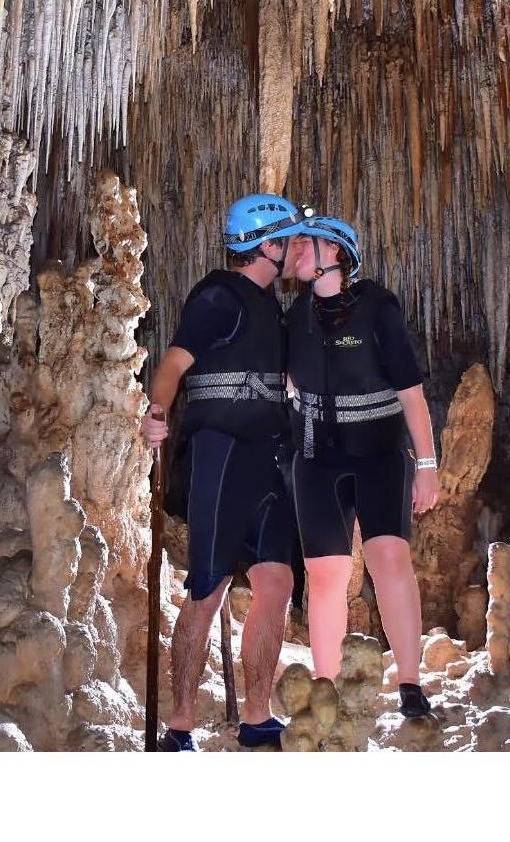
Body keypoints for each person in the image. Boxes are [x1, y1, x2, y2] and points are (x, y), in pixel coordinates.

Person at [140, 194, 317, 751]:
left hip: (268, 457)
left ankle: (257, 716)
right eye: (288, 239)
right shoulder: (219, 295)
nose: (294, 248)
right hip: (220, 454)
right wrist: (156, 412)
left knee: (277, 583)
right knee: (208, 588)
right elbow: (173, 363)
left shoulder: (274, 311)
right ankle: (181, 725)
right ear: (267, 245)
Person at [285, 215, 440, 719]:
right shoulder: (296, 316)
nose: (297, 249)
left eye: (307, 242)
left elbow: (411, 394)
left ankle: (410, 684)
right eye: (295, 243)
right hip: (317, 460)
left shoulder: (377, 308)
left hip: (379, 454)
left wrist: (427, 463)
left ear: (337, 252)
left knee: (388, 557)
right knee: (324, 574)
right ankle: (325, 688)